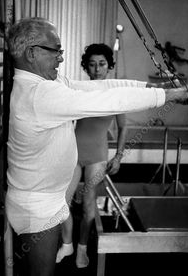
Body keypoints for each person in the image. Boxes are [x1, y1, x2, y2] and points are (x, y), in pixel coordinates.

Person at [5, 17, 188, 276]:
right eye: (56, 51)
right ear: (32, 53)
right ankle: (71, 245)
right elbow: (108, 99)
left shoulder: (47, 83)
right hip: (37, 206)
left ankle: (75, 246)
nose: (61, 58)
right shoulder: (38, 94)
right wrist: (171, 95)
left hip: (43, 197)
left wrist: (158, 87)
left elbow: (103, 86)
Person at [56, 44, 128, 267]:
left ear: (109, 67)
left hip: (98, 155)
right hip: (74, 152)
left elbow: (123, 128)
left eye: (102, 64)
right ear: (86, 68)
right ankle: (66, 244)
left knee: (88, 207)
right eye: (92, 64)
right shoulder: (79, 91)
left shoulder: (116, 95)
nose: (97, 69)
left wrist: (118, 156)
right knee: (61, 203)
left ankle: (82, 248)